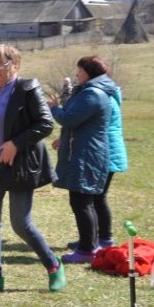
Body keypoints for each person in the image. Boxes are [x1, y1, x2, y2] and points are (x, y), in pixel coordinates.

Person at [0, 44, 65, 293]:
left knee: (21, 223)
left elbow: (45, 124)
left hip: (19, 166)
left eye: (2, 65)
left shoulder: (27, 89)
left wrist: (14, 144)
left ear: (15, 65)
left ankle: (54, 266)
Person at [48, 56, 126, 263]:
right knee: (87, 200)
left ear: (89, 73)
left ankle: (87, 249)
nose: (76, 75)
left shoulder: (93, 93)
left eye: (79, 71)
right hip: (89, 151)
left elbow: (70, 119)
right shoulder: (98, 92)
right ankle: (90, 243)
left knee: (82, 200)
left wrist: (54, 108)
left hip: (89, 153)